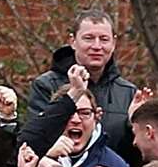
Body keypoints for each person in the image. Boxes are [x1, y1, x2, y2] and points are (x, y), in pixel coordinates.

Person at [27, 10, 138, 155]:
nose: (97, 46)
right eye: (89, 38)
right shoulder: (46, 86)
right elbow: (35, 140)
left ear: (114, 43)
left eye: (104, 39)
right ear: (72, 41)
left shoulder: (128, 92)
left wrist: (136, 126)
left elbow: (137, 156)